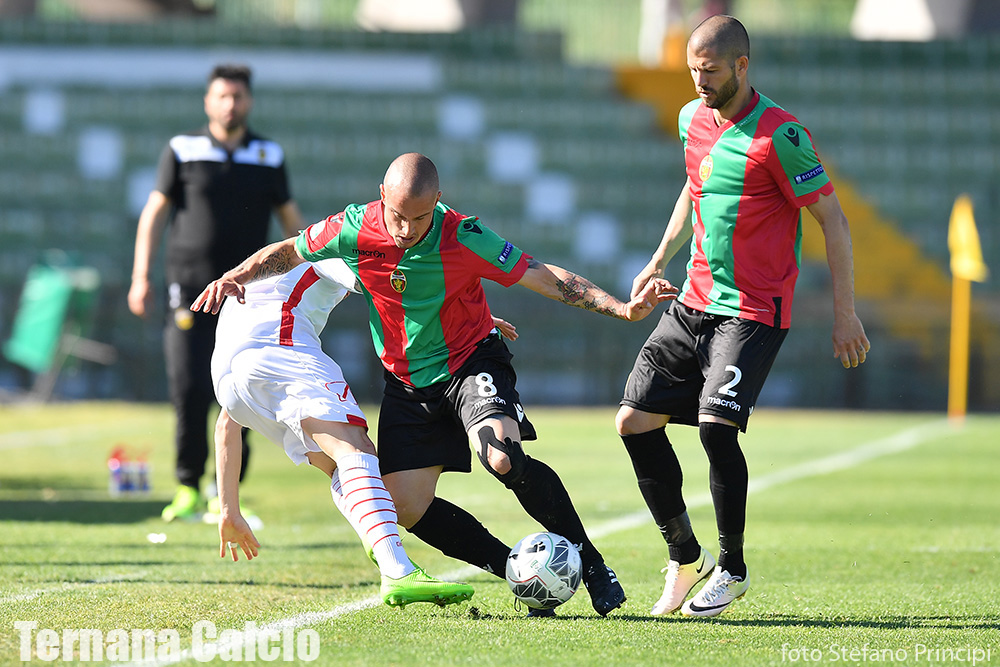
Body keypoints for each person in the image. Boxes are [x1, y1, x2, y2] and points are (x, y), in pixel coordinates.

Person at [192, 152, 677, 617]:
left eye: (419, 219)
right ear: (382, 196)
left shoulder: (464, 234)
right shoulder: (355, 227)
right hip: (406, 384)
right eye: (398, 216)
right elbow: (289, 249)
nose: (406, 230)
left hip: (470, 361)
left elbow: (540, 274)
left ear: (439, 201)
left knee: (502, 456)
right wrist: (235, 276)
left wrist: (621, 308)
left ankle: (591, 562)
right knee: (401, 504)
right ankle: (513, 570)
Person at [616, 15, 871, 618]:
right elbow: (694, 188)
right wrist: (656, 260)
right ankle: (685, 557)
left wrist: (845, 314)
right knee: (632, 421)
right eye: (693, 71)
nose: (699, 82)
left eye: (709, 71)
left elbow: (833, 219)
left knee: (714, 427)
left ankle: (731, 567)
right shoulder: (690, 119)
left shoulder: (782, 135)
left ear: (742, 65)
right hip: (692, 302)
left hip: (753, 312)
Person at [208, 254, 475, 608]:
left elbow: (227, 424)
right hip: (281, 351)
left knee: (338, 466)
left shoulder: (258, 283)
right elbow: (385, 289)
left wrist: (229, 510)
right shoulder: (330, 254)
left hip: (229, 386)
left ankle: (378, 539)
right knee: (356, 450)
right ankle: (397, 569)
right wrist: (463, 323)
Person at [128, 63, 304, 522]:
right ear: (208, 102)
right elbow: (154, 214)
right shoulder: (182, 149)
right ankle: (187, 486)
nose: (231, 104)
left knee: (240, 386)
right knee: (188, 386)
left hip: (249, 294)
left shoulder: (268, 154)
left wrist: (308, 271)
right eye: (222, 96)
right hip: (187, 287)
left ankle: (222, 493)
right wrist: (140, 277)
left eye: (238, 97)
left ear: (249, 101)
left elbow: (292, 225)